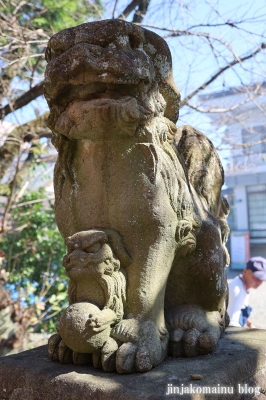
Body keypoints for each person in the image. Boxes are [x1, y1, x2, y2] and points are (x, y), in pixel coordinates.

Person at [227, 256, 266, 328]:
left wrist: (250, 324)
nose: (259, 282)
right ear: (245, 272)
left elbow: (240, 308)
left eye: (262, 278)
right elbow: (231, 324)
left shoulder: (244, 285)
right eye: (256, 278)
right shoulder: (236, 290)